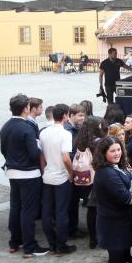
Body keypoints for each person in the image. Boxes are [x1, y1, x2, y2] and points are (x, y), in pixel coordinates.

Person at [1, 94, 48, 258]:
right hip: (28, 173)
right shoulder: (26, 128)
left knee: (15, 207)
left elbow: (3, 149)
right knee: (29, 210)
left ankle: (15, 241)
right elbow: (35, 154)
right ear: (25, 109)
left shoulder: (5, 126)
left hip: (12, 172)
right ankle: (29, 246)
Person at [40, 103, 76, 255]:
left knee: (47, 211)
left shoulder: (43, 133)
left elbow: (41, 156)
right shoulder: (65, 134)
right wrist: (71, 173)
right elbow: (66, 158)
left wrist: (43, 171)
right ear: (65, 116)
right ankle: (61, 245)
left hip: (47, 175)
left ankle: (52, 243)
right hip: (61, 177)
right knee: (61, 212)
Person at [72, 116, 102, 249]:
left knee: (90, 209)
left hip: (83, 178)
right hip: (95, 178)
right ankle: (98, 236)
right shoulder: (97, 142)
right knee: (97, 208)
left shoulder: (80, 140)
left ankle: (92, 238)